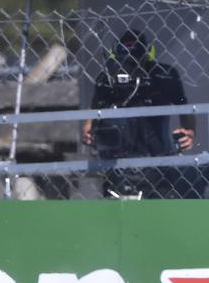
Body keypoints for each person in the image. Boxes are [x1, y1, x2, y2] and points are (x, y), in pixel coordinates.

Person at [82, 30, 200, 198]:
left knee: (160, 199)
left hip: (157, 155)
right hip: (117, 158)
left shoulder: (164, 75)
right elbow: (95, 109)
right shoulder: (107, 79)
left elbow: (184, 107)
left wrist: (189, 131)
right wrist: (89, 128)